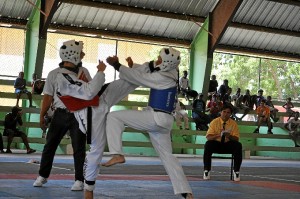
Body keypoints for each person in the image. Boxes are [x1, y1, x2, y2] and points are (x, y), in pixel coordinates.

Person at [102, 47, 193, 199]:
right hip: (164, 123)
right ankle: (186, 192)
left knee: (114, 117)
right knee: (168, 157)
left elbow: (138, 78)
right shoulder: (172, 73)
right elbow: (148, 71)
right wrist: (134, 65)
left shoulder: (162, 78)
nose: (157, 60)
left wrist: (117, 66)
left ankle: (117, 153)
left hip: (155, 118)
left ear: (166, 63)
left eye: (160, 59)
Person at [56, 56, 141, 199]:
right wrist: (101, 72)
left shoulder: (79, 70)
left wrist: (130, 69)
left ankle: (150, 68)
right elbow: (89, 91)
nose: (82, 54)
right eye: (80, 52)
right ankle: (88, 190)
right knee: (96, 149)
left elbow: (92, 88)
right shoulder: (61, 76)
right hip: (89, 111)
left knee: (129, 81)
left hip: (101, 98)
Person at [33, 40, 93, 191]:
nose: (83, 55)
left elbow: (91, 92)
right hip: (60, 114)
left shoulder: (83, 72)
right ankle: (42, 175)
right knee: (50, 145)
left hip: (79, 114)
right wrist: (42, 115)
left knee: (79, 147)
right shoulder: (54, 74)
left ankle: (79, 179)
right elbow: (47, 97)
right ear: (74, 55)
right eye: (81, 52)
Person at [203, 105, 242, 182]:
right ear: (221, 112)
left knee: (238, 145)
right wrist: (218, 135)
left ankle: (236, 171)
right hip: (216, 143)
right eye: (224, 112)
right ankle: (206, 170)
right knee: (208, 144)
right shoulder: (214, 122)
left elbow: (236, 138)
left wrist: (229, 136)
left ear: (230, 114)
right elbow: (208, 137)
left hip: (228, 144)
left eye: (228, 112)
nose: (225, 114)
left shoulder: (233, 124)